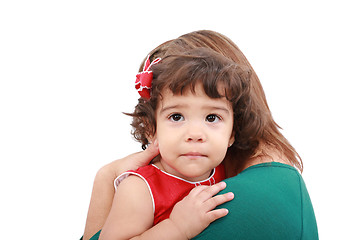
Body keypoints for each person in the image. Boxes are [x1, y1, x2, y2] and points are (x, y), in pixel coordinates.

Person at [82, 30, 318, 240]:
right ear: (151, 128)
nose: (195, 134)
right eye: (176, 117)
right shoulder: (139, 189)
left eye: (212, 118)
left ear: (233, 133)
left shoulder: (221, 172)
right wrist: (177, 228)